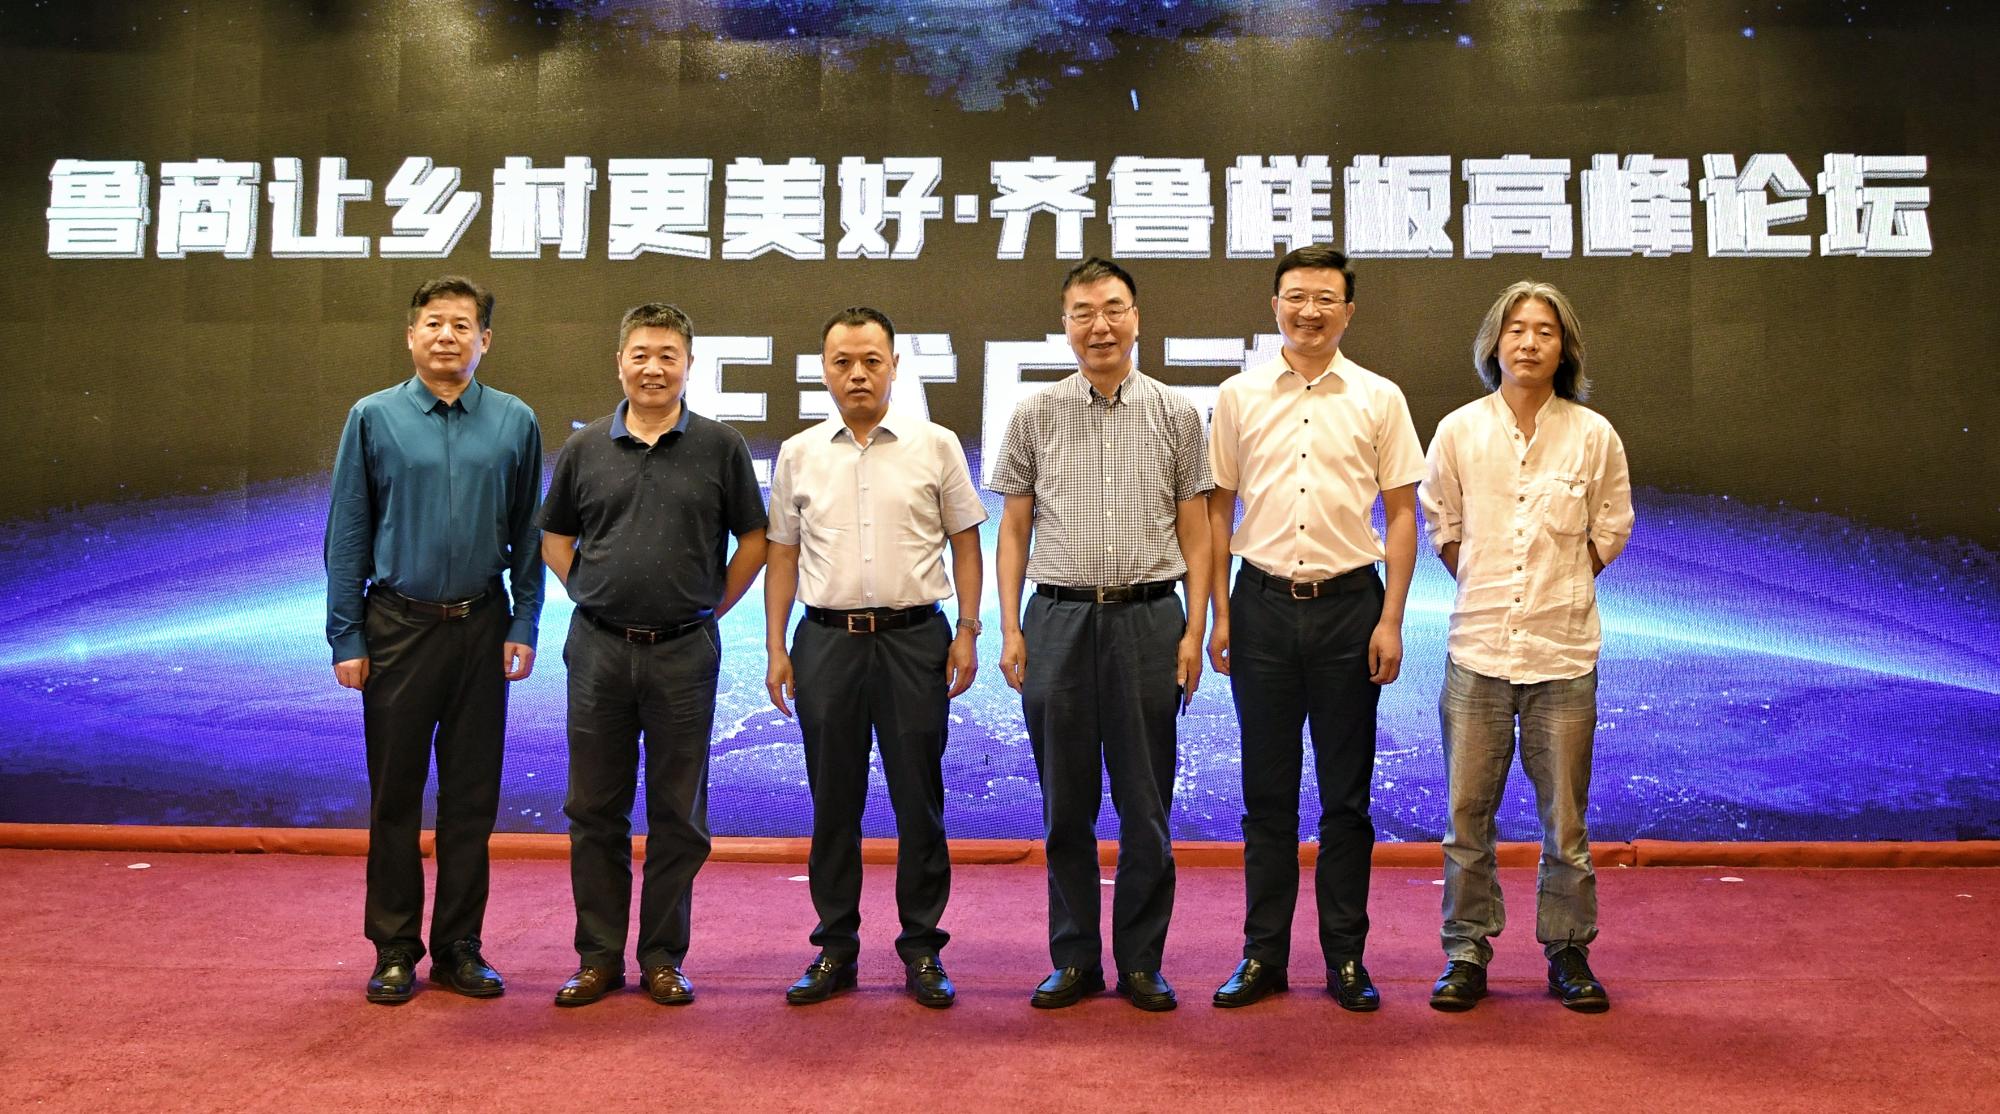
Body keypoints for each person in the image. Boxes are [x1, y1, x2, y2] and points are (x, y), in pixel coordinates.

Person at [1204, 245, 1425, 1012]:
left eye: (1326, 298)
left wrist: (1391, 618)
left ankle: (1346, 959)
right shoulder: (1237, 396)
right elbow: (1217, 509)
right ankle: (1262, 956)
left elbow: (1403, 513)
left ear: (1348, 312)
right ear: (1275, 306)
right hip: (1260, 605)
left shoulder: (1379, 398)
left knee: (1346, 800)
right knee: (1266, 797)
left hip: (1350, 608)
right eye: (1296, 297)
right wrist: (1220, 611)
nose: (1309, 311)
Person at [989, 257, 1212, 1012]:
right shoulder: (1035, 412)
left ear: (1136, 318)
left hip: (1150, 618)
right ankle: (1075, 958)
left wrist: (1194, 630)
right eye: (1083, 312)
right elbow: (1013, 527)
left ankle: (1142, 961)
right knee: (1065, 806)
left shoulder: (1178, 413)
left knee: (1146, 806)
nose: (1100, 326)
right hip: (1057, 618)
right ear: (1065, 325)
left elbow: (1197, 529)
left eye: (1113, 309)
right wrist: (1011, 625)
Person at [539, 303, 768, 1007]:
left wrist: (709, 606)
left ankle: (664, 956)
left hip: (684, 653)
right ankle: (598, 957)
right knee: (593, 810)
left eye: (668, 355)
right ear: (620, 363)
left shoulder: (721, 446)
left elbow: (754, 539)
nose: (653, 368)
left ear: (689, 365)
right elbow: (555, 538)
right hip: (598, 649)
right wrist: (592, 592)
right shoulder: (585, 448)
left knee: (679, 815)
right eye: (640, 354)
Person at [324, 276, 544, 1005]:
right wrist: (346, 635)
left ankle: (458, 948)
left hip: (482, 627)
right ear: (411, 335)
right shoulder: (373, 417)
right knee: (395, 798)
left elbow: (529, 534)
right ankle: (394, 949)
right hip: (396, 628)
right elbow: (348, 532)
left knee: (471, 801)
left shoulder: (515, 420)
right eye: (434, 323)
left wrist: (524, 621)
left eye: (463, 325)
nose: (447, 336)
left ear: (486, 340)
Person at [1419, 280, 1634, 1013]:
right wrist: (1488, 580)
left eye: (1545, 330)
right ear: (1494, 343)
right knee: (1465, 821)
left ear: (1564, 347)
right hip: (1477, 651)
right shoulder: (1459, 430)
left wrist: (1560, 583)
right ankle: (1466, 953)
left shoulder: (1593, 434)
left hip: (1563, 655)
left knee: (1565, 824)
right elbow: (1442, 525)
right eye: (1516, 329)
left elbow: (1611, 527)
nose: (1530, 342)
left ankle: (1568, 951)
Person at [764, 307, 987, 1009]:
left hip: (914, 639)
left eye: (871, 361)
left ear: (894, 365)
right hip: (825, 641)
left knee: (919, 801)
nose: (857, 374)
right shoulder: (799, 452)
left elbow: (966, 543)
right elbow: (782, 554)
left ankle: (922, 948)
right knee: (833, 803)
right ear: (824, 370)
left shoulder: (936, 445)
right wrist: (776, 645)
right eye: (843, 362)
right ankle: (835, 947)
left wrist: (968, 631)